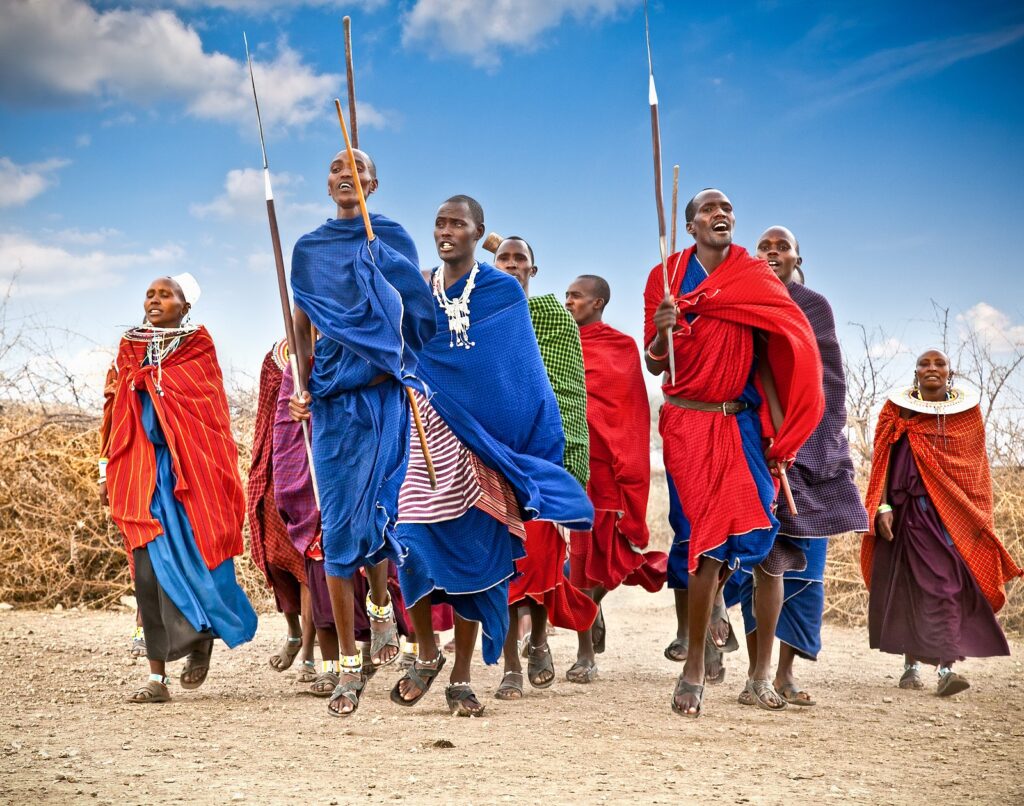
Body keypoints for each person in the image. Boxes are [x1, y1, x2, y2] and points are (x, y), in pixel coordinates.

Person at [391, 196, 593, 716]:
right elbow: (395, 345)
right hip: (423, 428)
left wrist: (526, 443)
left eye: (458, 223)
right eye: (439, 222)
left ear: (479, 232)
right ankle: (427, 653)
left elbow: (519, 374)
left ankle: (460, 677)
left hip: (482, 440)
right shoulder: (415, 287)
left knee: (477, 552)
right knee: (409, 535)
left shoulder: (502, 292)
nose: (446, 230)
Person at [644, 189, 823, 717]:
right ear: (691, 224)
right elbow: (657, 365)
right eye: (709, 211)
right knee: (704, 547)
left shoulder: (752, 275)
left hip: (743, 426)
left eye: (727, 211)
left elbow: (787, 342)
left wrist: (782, 430)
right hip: (686, 422)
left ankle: (760, 676)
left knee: (764, 547)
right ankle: (694, 666)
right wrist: (661, 333)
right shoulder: (666, 275)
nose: (720, 216)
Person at [287, 147, 436, 716]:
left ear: (374, 184)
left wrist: (383, 270)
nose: (346, 174)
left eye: (359, 169)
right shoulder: (309, 250)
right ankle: (349, 662)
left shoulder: (393, 236)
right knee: (339, 524)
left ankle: (382, 612)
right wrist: (301, 384)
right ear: (328, 185)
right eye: (335, 167)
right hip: (330, 400)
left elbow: (415, 313)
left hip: (381, 395)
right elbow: (302, 327)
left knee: (379, 512)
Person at [724, 227, 868, 707]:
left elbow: (827, 382)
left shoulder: (814, 306)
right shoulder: (741, 302)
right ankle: (755, 672)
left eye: (780, 247)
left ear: (796, 256)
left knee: (803, 568)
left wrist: (803, 443)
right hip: (754, 448)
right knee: (758, 562)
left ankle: (783, 673)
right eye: (763, 247)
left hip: (807, 452)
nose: (771, 253)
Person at [101, 274, 257, 704]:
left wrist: (146, 382)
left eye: (165, 295)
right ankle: (157, 679)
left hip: (192, 475)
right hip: (140, 471)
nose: (154, 299)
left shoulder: (198, 346)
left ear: (185, 307)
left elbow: (207, 413)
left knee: (202, 563)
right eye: (150, 293)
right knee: (147, 575)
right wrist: (104, 468)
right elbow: (113, 407)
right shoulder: (129, 347)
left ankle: (202, 639)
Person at [862, 349, 1022, 695]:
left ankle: (946, 669)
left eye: (939, 364)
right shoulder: (897, 410)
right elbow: (883, 464)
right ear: (915, 372)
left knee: (947, 588)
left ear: (951, 373)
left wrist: (969, 517)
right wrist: (882, 506)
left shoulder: (965, 414)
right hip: (904, 516)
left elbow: (974, 471)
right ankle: (911, 666)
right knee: (908, 588)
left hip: (950, 518)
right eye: (924, 363)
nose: (932, 368)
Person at [492, 238, 598, 700]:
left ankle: (538, 641)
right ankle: (511, 664)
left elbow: (571, 392)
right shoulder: (478, 312)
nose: (512, 265)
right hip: (492, 447)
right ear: (493, 265)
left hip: (544, 451)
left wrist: (571, 462)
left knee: (539, 553)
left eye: (520, 259)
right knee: (503, 555)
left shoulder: (554, 318)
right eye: (505, 258)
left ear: (533, 268)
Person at [563, 274, 668, 683]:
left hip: (612, 466)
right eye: (567, 295)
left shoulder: (621, 347)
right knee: (583, 558)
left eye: (576, 296)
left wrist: (628, 463)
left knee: (613, 559)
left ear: (598, 303)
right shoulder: (557, 345)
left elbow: (631, 409)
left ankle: (596, 606)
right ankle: (584, 652)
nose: (568, 301)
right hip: (575, 465)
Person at [248, 339, 315, 676]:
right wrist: (260, 466)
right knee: (277, 559)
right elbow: (264, 418)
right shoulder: (274, 358)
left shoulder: (335, 353)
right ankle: (293, 631)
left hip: (318, 470)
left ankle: (308, 654)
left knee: (311, 562)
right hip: (278, 468)